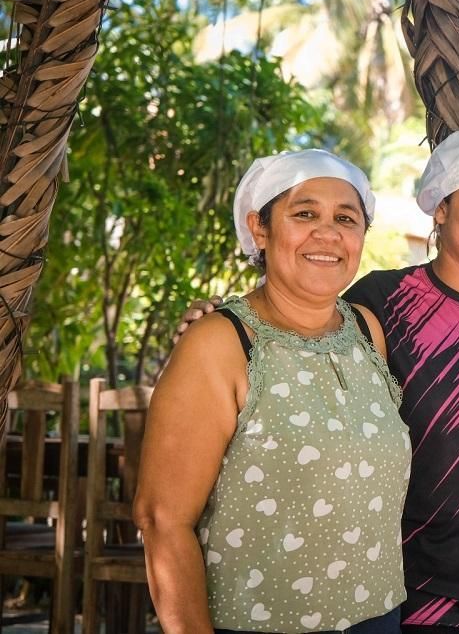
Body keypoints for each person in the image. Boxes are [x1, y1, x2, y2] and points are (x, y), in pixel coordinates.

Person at [174, 129, 459, 634]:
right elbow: (290, 322)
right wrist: (211, 324)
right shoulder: (382, 303)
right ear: (441, 208)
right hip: (421, 596)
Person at [135, 150, 412, 634]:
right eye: (305, 213)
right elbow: (162, 519)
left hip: (377, 617)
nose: (328, 234)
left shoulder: (366, 330)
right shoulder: (220, 343)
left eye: (345, 218)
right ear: (260, 229)